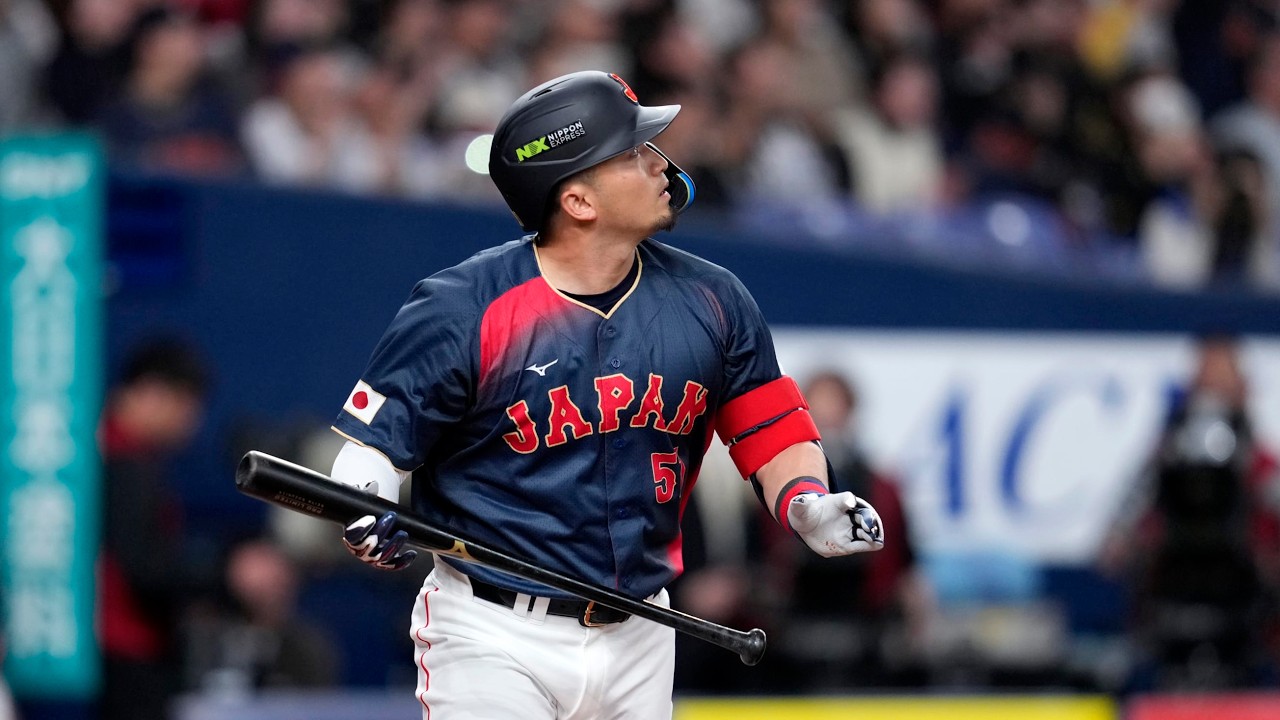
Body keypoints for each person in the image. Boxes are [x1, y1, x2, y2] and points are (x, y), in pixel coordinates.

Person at [324, 70, 885, 718]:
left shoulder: (714, 298)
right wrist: (364, 505)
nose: (660, 163)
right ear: (579, 201)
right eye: (633, 153)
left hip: (642, 626)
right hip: (491, 629)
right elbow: (370, 453)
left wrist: (806, 500)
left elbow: (772, 429)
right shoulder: (462, 308)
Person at [97, 336, 212, 720]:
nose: (192, 423)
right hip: (124, 656)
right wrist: (225, 576)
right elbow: (146, 568)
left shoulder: (118, 456)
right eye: (187, 406)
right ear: (152, 392)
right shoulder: (120, 462)